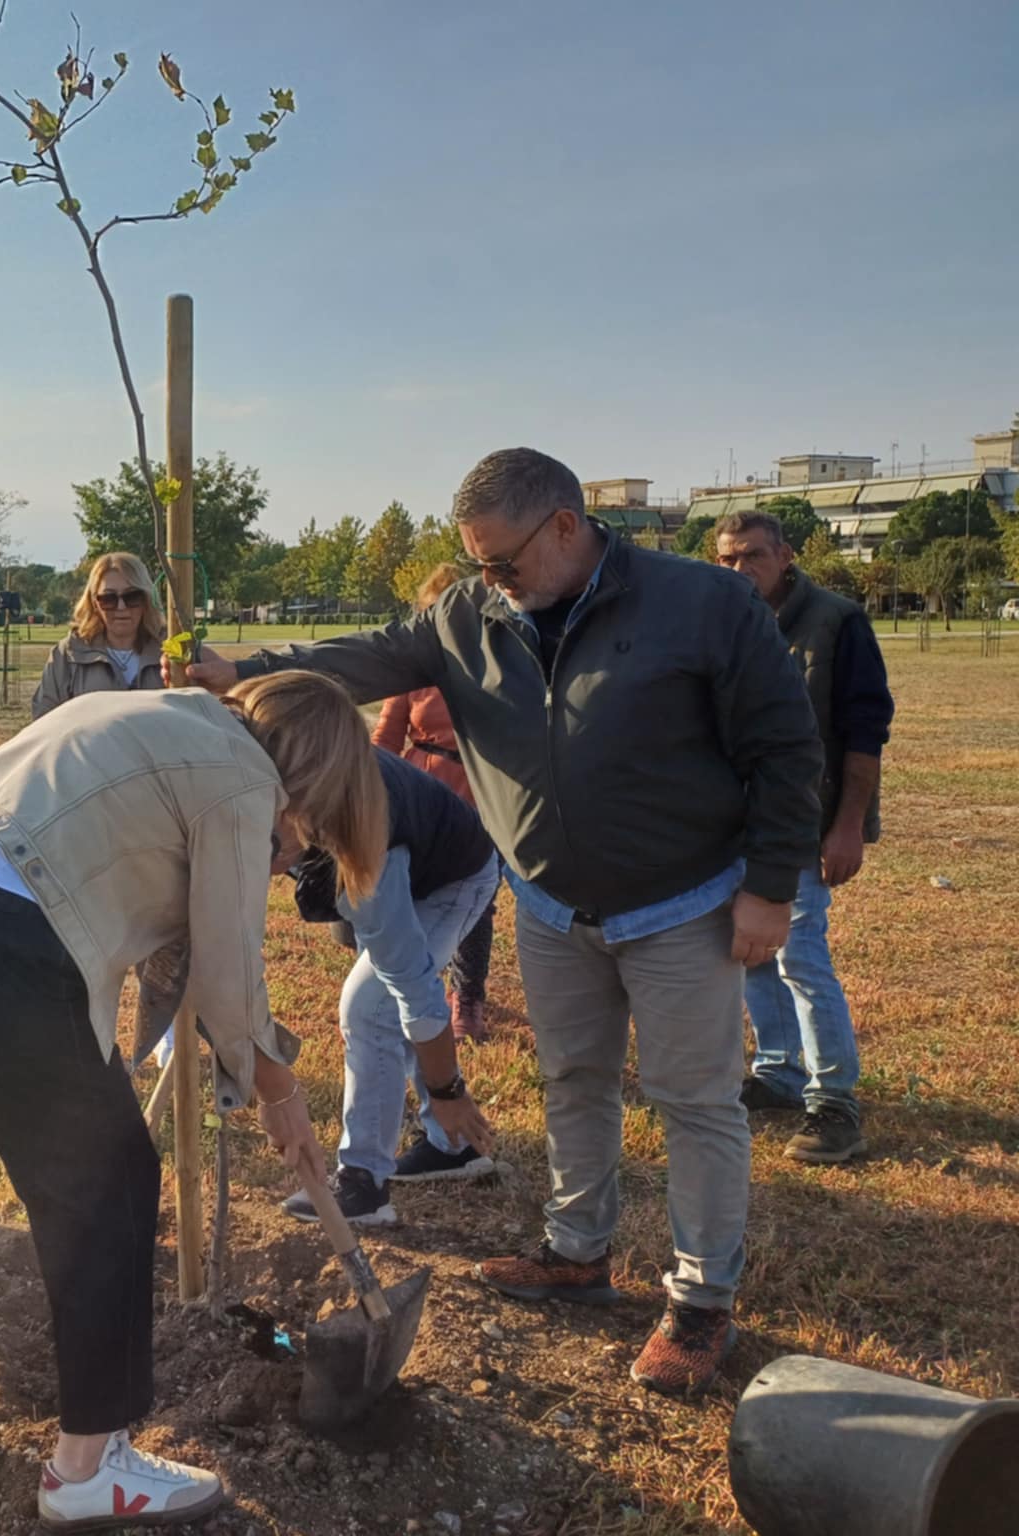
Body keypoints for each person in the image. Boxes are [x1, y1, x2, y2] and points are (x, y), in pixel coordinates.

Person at [188, 447, 822, 1398]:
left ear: (566, 526)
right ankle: (576, 1250)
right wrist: (242, 669)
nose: (490, 582)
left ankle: (700, 1302)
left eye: (502, 562)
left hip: (684, 901)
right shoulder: (469, 614)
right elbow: (361, 657)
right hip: (553, 903)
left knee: (695, 1102)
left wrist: (770, 885)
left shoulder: (703, 605)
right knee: (572, 1078)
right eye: (477, 565)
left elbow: (784, 744)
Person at [0, 673, 384, 1531]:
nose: (296, 850)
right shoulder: (242, 779)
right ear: (315, 774)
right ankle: (89, 1467)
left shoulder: (159, 711)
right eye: (311, 831)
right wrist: (280, 1088)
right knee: (110, 1179)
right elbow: (228, 975)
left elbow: (149, 926)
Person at [715, 511, 893, 1164]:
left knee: (801, 957)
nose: (740, 570)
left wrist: (846, 826)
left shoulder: (836, 621)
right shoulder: (724, 623)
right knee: (751, 951)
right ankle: (780, 1072)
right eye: (728, 559)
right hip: (737, 824)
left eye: (753, 556)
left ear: (785, 555)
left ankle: (835, 1102)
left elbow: (866, 729)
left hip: (806, 822)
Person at [280, 746, 502, 1229]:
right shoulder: (289, 780)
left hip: (454, 879)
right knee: (383, 1003)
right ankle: (454, 1149)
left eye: (266, 845)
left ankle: (363, 1185)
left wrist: (449, 1090)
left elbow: (414, 988)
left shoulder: (360, 835)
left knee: (369, 1007)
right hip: (412, 858)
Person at [371, 562, 499, 1043]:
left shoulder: (494, 667)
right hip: (424, 786)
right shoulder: (414, 671)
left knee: (477, 900)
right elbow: (387, 732)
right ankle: (406, 984)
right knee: (410, 891)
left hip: (483, 790)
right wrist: (369, 788)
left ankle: (468, 998)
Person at [30, 551, 167, 718]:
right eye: (108, 598)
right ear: (94, 603)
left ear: (146, 599)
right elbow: (44, 720)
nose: (121, 607)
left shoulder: (173, 652)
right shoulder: (67, 655)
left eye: (132, 596)